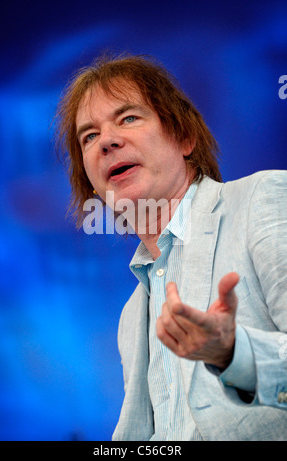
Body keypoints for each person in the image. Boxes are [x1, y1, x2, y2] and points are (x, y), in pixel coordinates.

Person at [55, 53, 287, 441]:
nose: (107, 141)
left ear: (184, 137)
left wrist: (233, 353)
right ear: (93, 185)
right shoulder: (131, 317)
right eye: (89, 136)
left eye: (129, 118)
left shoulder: (262, 201)